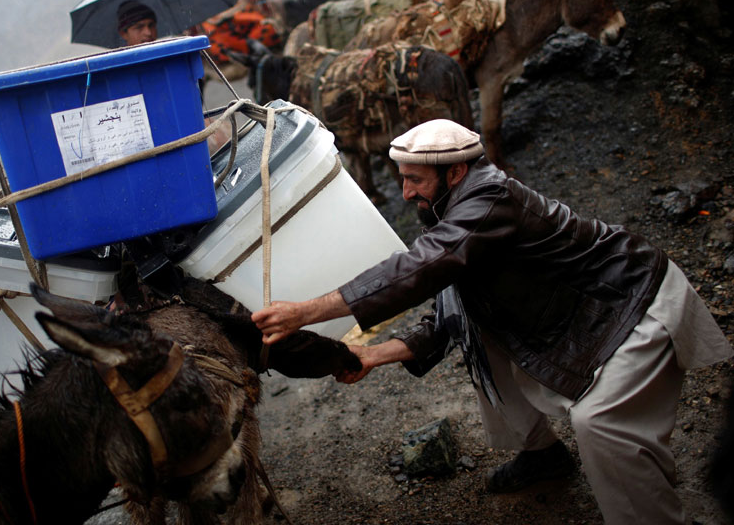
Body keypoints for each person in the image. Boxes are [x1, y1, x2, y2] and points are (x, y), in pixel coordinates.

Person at [252, 119, 733, 525]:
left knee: (602, 422)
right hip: (568, 311)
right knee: (481, 338)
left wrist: (304, 312)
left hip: (624, 301)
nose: (404, 192)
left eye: (415, 179)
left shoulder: (490, 197)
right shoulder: (451, 207)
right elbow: (451, 306)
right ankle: (541, 453)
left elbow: (421, 268)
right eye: (402, 178)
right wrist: (375, 354)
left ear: (456, 171)